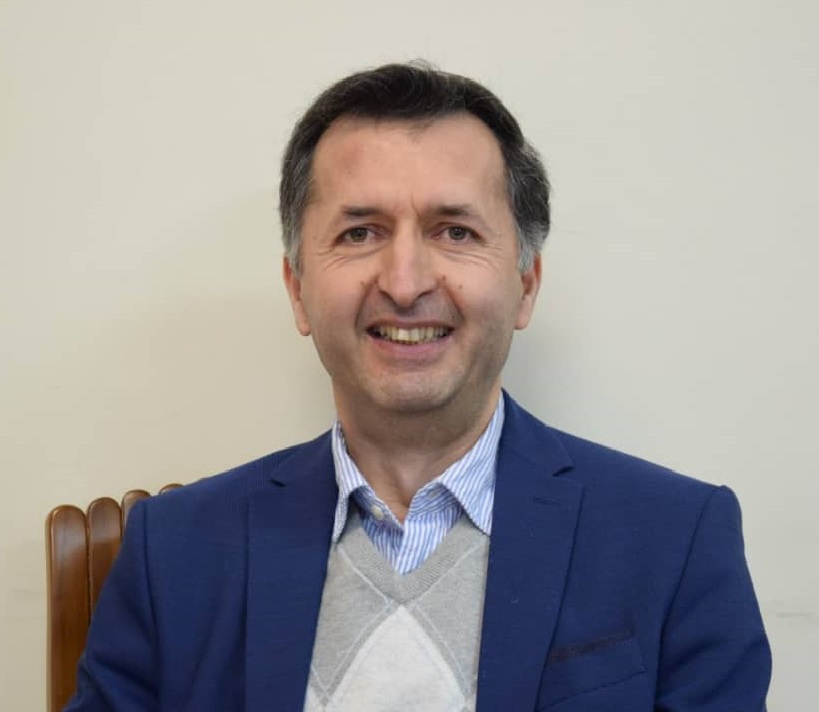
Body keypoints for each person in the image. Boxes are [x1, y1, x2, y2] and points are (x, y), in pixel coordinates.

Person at [66, 62, 771, 711]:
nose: (404, 283)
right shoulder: (173, 551)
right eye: (360, 233)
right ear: (298, 290)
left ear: (525, 284)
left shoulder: (676, 541)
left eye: (454, 232)